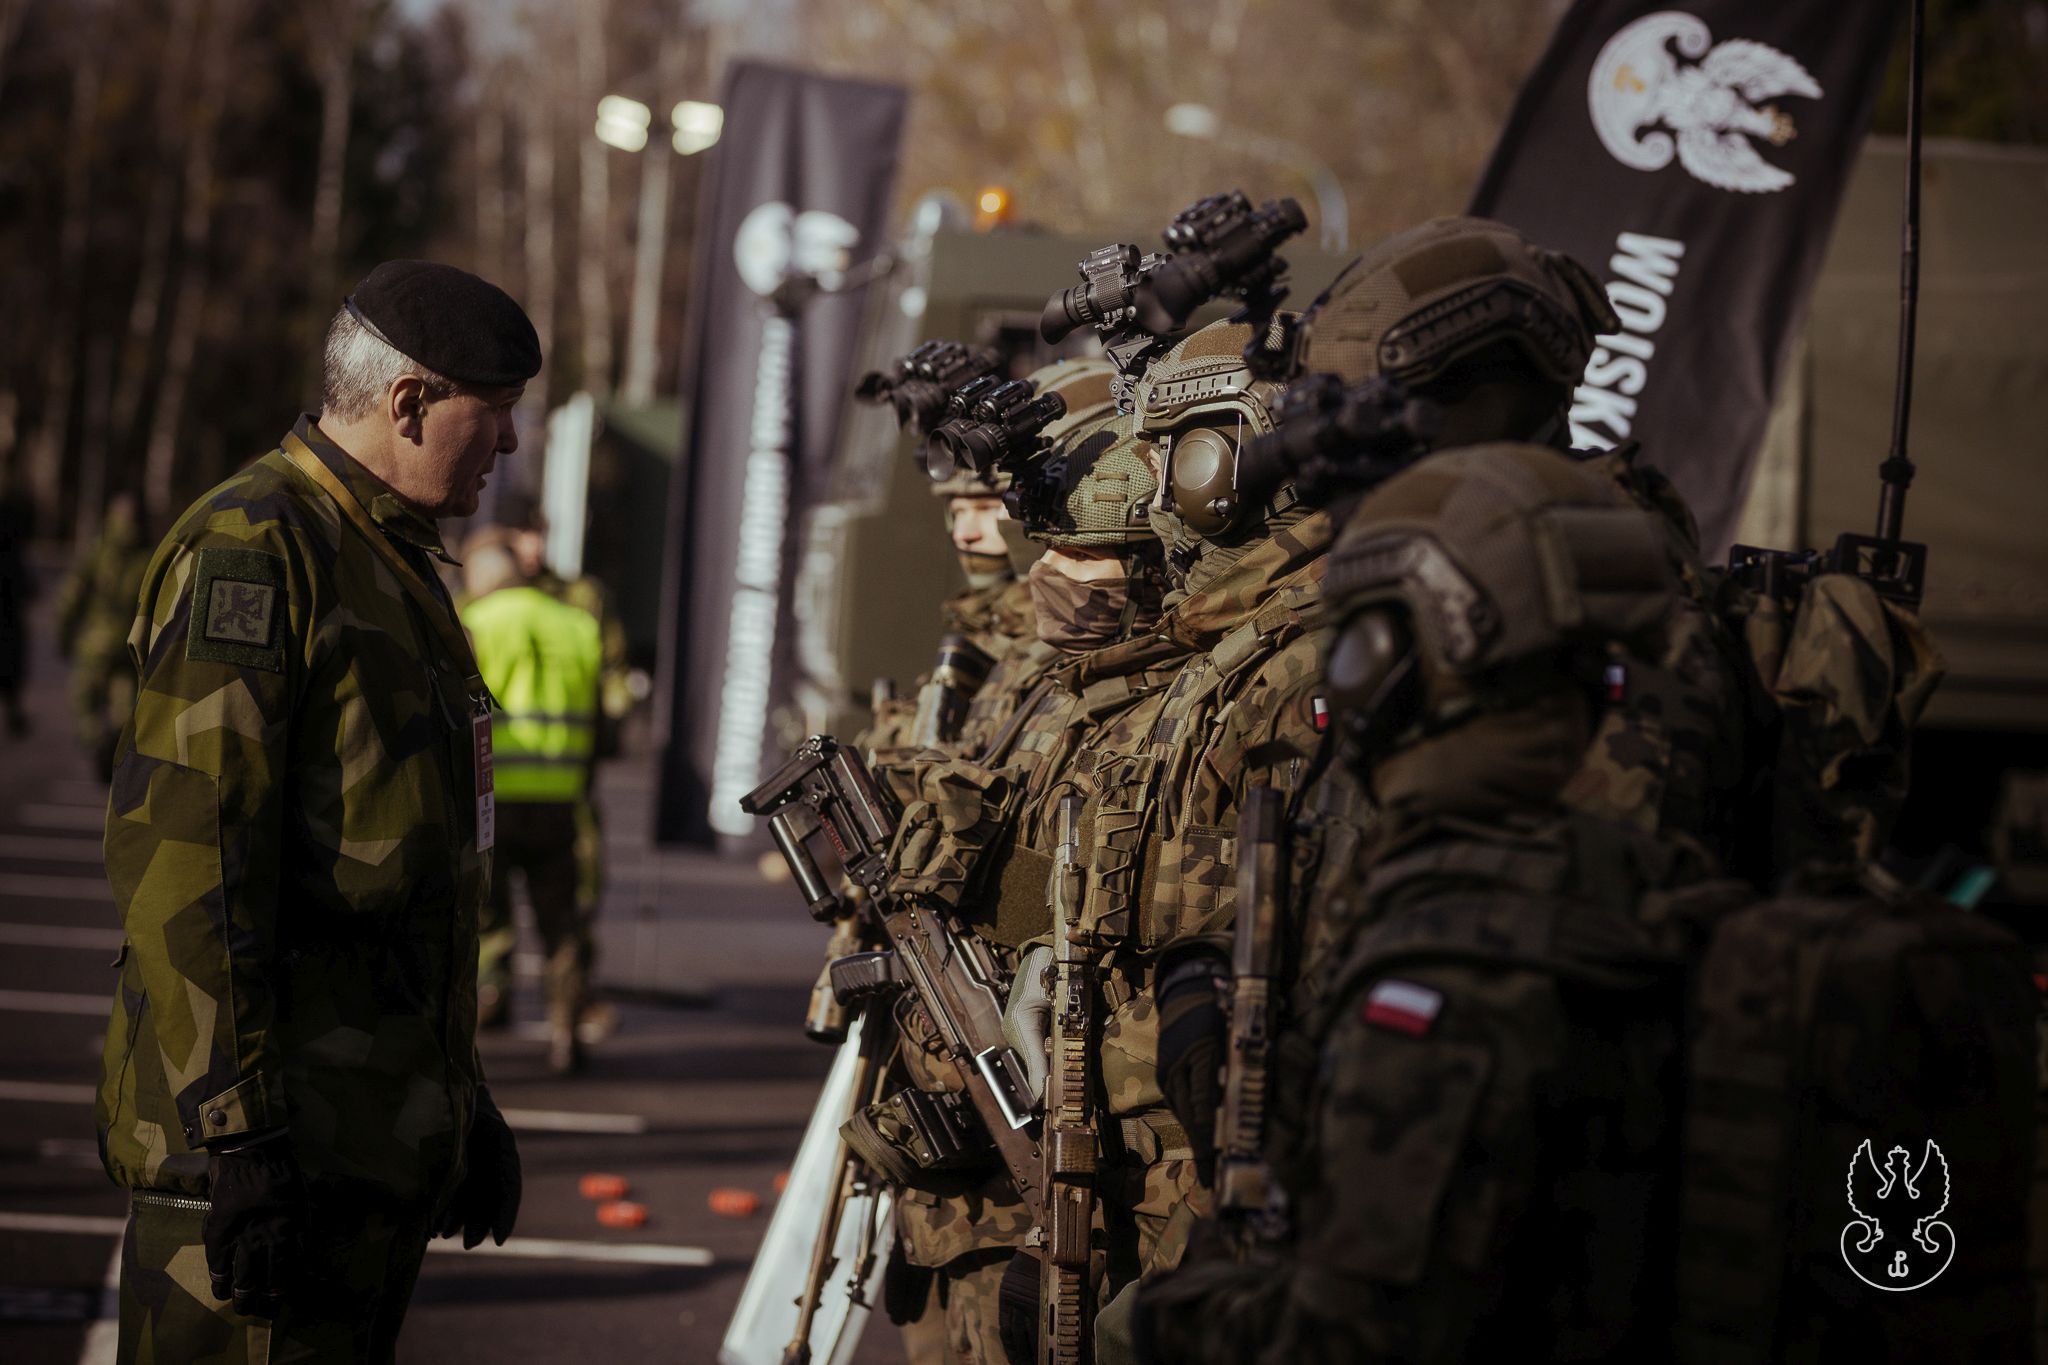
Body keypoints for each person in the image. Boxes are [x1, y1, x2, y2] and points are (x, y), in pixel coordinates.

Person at [1133, 217, 1751, 1363]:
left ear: (1474, 393)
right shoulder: (1472, 560)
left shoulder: (1571, 592)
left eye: (1376, 403)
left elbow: (1534, 942)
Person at [95, 260, 536, 1363]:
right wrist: (236, 1136)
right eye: (497, 418)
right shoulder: (258, 547)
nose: (510, 449)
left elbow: (414, 874)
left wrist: (457, 1099)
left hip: (361, 1145)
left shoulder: (386, 557)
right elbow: (189, 863)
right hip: (264, 1156)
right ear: (409, 402)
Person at [468, 492, 634, 1043]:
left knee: (528, 904)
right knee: (547, 910)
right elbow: (608, 690)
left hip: (510, 791)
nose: (534, 544)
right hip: (560, 789)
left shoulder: (483, 616)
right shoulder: (573, 617)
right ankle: (536, 1008)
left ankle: (528, 1000)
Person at [57, 493, 152, 778]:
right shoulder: (147, 558)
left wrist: (63, 637)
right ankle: (113, 751)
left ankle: (100, 745)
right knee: (122, 709)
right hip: (127, 648)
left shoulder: (97, 552)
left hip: (92, 647)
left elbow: (69, 598)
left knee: (85, 706)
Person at [0, 484, 32, 736]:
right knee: (10, 662)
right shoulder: (12, 549)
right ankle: (14, 711)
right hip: (9, 613)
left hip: (9, 611)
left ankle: (14, 711)